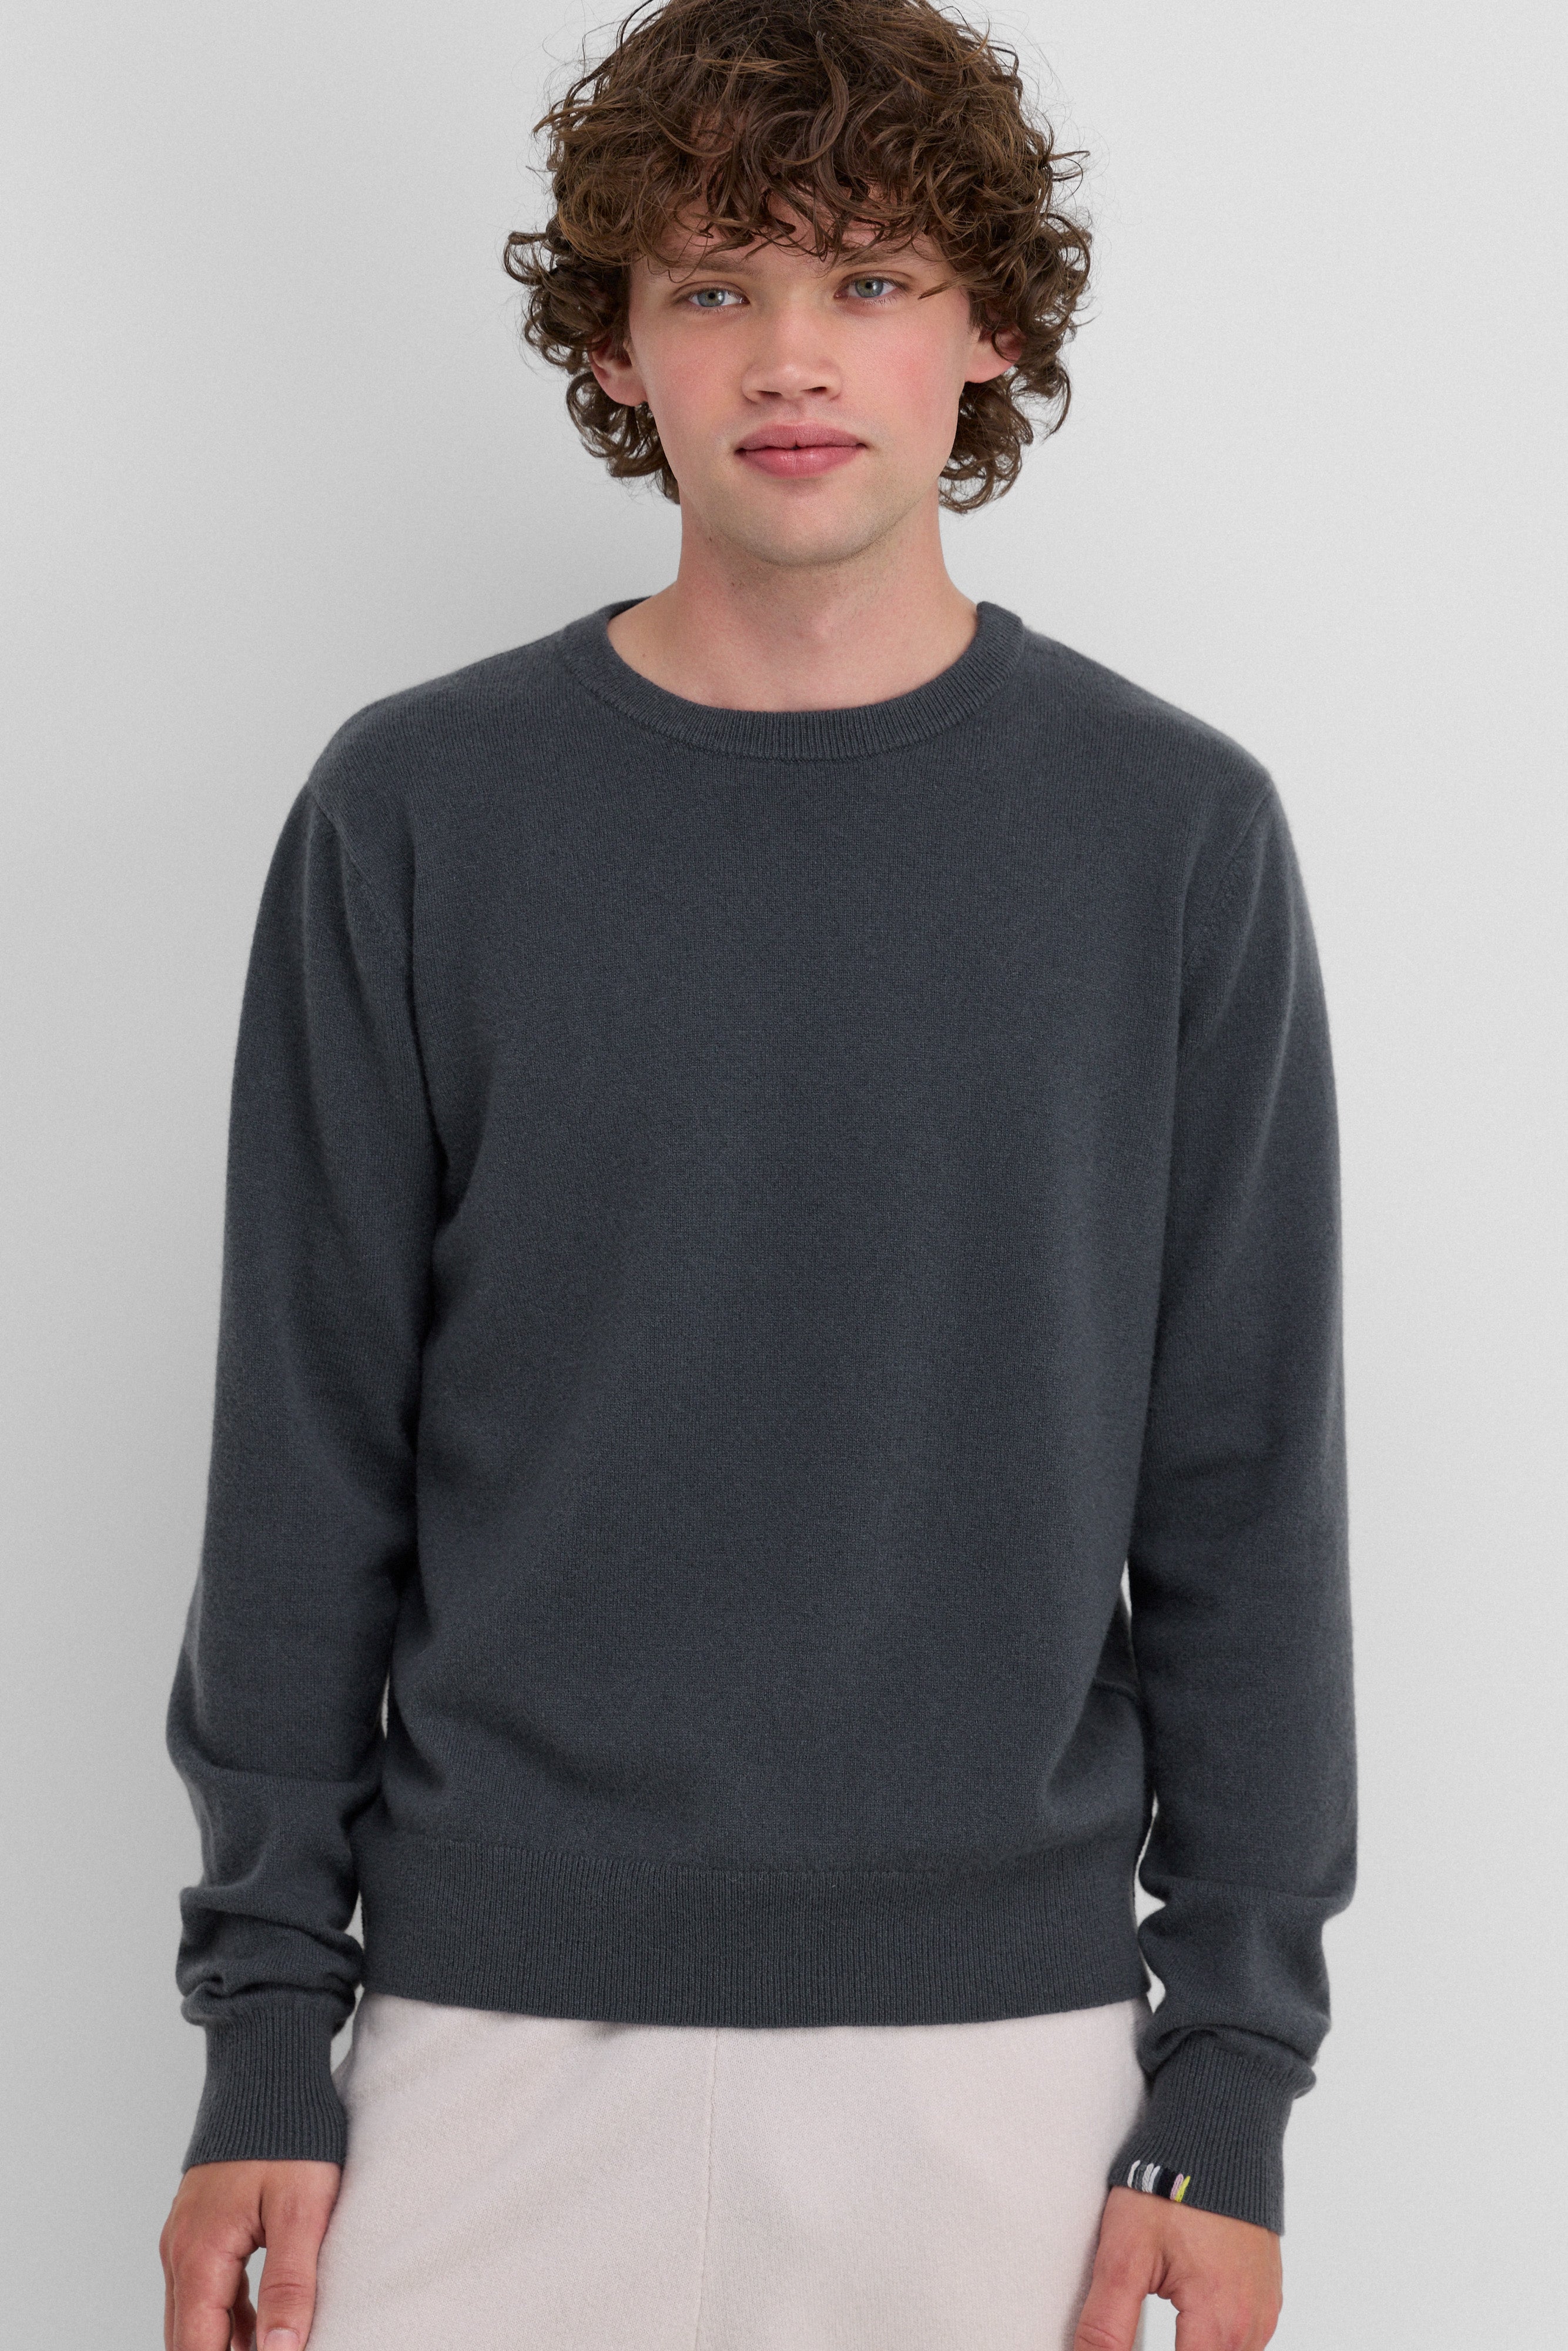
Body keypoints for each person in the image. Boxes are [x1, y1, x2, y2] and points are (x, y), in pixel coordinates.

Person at [157, 2, 1357, 2346]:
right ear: (617, 344)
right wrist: (264, 2032)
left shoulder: (1168, 835)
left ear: (986, 328)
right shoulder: (416, 813)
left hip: (1002, 2074)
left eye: (869, 277)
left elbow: (1239, 1490)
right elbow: (302, 1458)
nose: (790, 355)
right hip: (480, 2055)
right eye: (714, 284)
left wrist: (1229, 2074)